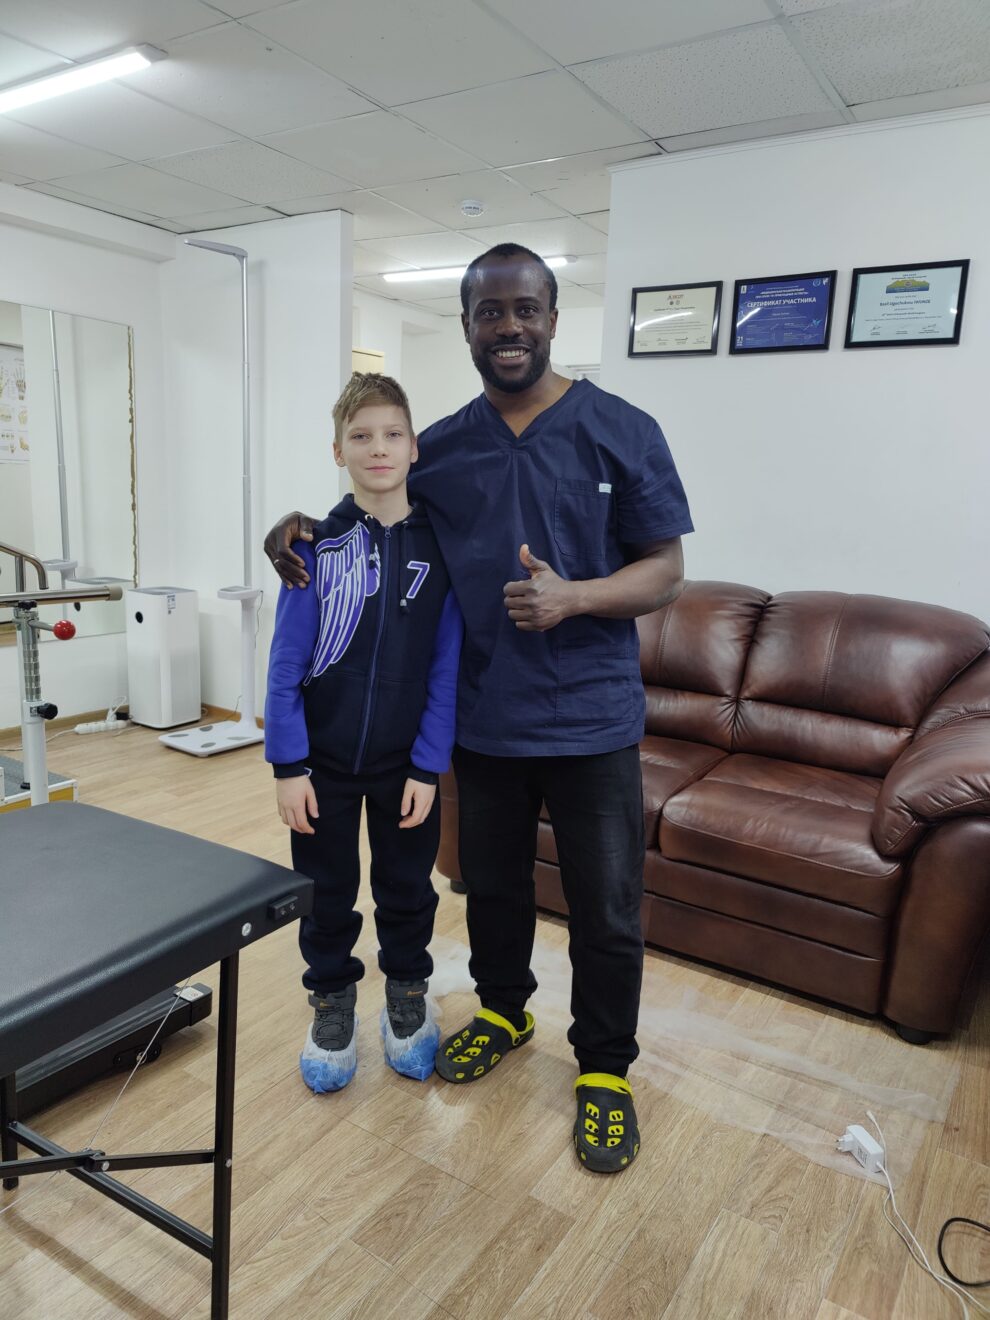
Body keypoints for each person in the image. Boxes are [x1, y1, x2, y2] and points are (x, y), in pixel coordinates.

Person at [265, 244, 692, 1172]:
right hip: (486, 722)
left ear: (552, 318)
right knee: (491, 888)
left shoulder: (622, 429)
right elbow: (377, 502)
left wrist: (576, 597)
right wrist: (299, 530)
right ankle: (503, 1010)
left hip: (590, 721)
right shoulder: (446, 447)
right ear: (465, 326)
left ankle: (604, 1068)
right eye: (489, 312)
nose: (509, 327)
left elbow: (665, 571)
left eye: (526, 309)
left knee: (606, 908)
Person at [264, 371, 462, 1094]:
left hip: (405, 767)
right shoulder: (311, 548)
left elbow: (445, 668)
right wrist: (288, 765)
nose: (378, 448)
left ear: (414, 447)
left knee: (407, 889)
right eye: (361, 436)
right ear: (338, 450)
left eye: (392, 434)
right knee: (326, 892)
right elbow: (286, 664)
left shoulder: (441, 547)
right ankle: (332, 1001)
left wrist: (428, 766)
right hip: (322, 767)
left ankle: (406, 995)